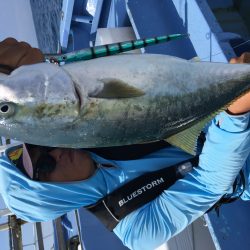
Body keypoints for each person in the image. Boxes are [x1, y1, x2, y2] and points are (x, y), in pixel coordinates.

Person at [0, 38, 249, 250]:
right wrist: (235, 114)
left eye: (43, 149)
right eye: (44, 166)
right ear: (53, 197)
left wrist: (24, 72)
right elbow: (208, 183)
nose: (55, 153)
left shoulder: (85, 133)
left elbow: (76, 86)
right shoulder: (136, 230)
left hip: (230, 109)